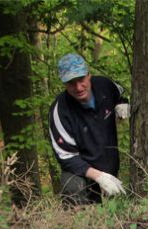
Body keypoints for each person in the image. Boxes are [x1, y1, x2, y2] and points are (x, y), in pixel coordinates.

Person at [49, 53, 130, 205]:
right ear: (64, 84)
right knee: (72, 185)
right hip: (82, 174)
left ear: (89, 75)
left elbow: (120, 94)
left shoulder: (105, 86)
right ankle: (78, 222)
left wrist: (122, 103)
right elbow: (66, 157)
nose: (78, 87)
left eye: (81, 80)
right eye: (71, 83)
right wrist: (99, 176)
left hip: (109, 165)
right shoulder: (60, 111)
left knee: (112, 212)